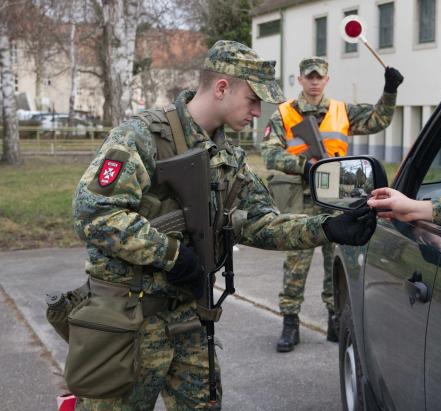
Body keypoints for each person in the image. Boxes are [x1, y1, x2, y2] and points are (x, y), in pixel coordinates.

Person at [71, 40, 377, 410]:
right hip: (127, 321)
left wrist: (327, 228)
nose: (258, 110)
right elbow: (94, 213)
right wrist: (171, 255)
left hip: (189, 317)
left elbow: (261, 221)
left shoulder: (229, 155)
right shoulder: (142, 137)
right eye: (252, 99)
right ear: (221, 88)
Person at [260, 56, 404, 352]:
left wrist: (390, 91)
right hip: (300, 196)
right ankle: (290, 323)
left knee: (334, 258)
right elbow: (270, 154)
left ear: (327, 80)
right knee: (296, 260)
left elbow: (378, 119)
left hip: (337, 195)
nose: (314, 81)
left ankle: (335, 320)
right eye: (308, 76)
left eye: (319, 77)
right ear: (299, 79)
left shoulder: (341, 110)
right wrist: (305, 166)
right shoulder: (284, 114)